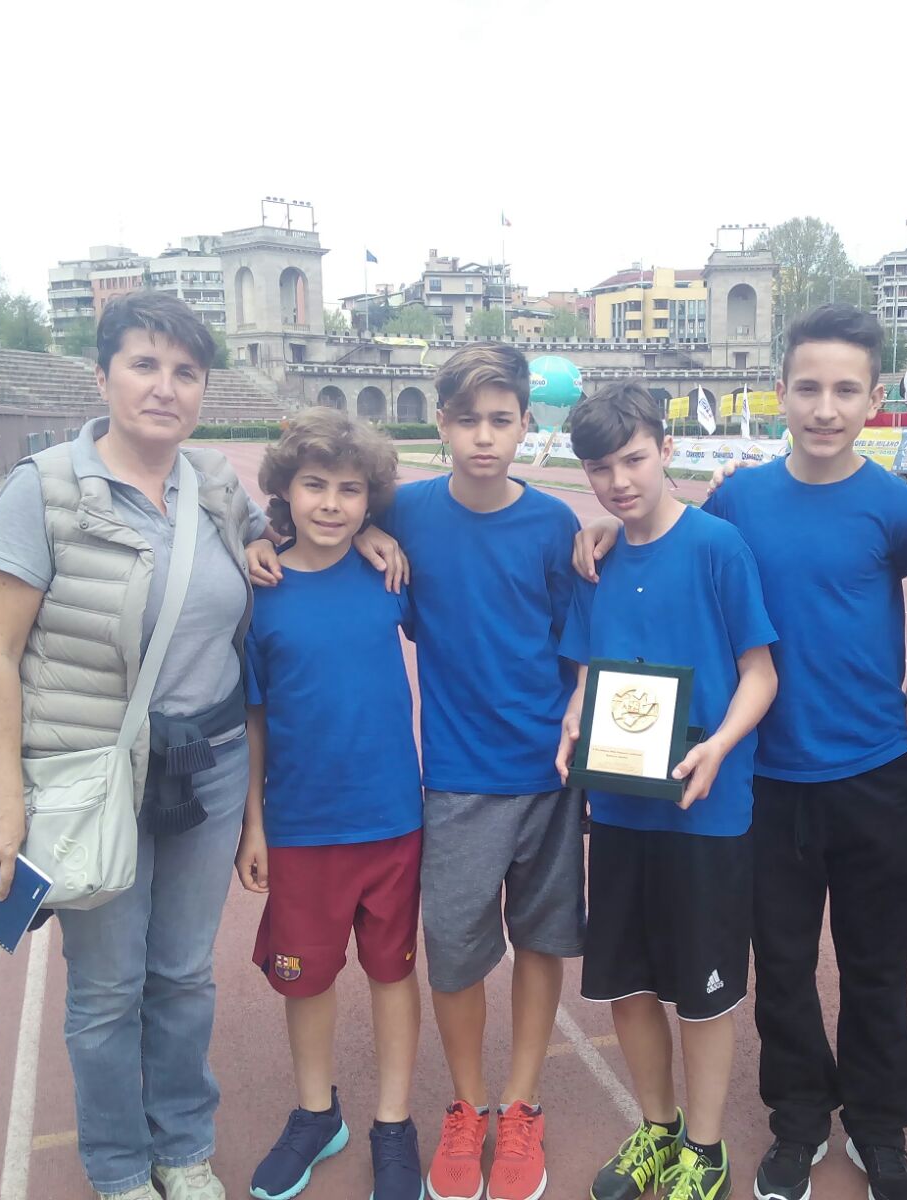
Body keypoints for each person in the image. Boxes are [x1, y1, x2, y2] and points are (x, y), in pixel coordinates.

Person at [580, 305, 907, 1200]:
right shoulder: (739, 500)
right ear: (780, 392)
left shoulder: (903, 510)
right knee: (781, 967)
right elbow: (663, 538)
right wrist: (598, 531)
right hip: (766, 780)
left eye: (845, 390)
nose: (825, 407)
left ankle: (881, 1130)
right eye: (807, 387)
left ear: (875, 399)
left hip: (875, 775)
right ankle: (798, 1123)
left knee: (876, 968)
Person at [0, 291, 280, 1200]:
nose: (165, 387)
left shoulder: (215, 485)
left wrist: (365, 529)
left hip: (207, 768)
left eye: (186, 372)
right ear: (102, 377)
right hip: (95, 772)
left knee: (182, 974)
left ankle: (183, 1146)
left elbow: (290, 536)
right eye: (144, 365)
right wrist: (2, 799)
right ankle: (117, 1167)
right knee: (107, 988)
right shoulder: (43, 491)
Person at [369, 343, 584, 1200]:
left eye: (501, 420)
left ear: (526, 424)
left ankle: (521, 1105)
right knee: (454, 955)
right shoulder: (406, 512)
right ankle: (468, 1106)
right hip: (457, 779)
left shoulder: (555, 525)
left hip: (549, 776)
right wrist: (368, 531)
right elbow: (317, 517)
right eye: (467, 420)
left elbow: (578, 640)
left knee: (541, 940)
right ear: (441, 424)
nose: (484, 437)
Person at [555, 381, 779, 1200]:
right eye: (600, 468)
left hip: (705, 811)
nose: (618, 481)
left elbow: (760, 673)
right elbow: (591, 667)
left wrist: (719, 745)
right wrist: (577, 711)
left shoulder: (718, 547)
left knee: (702, 993)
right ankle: (657, 1127)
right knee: (629, 982)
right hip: (619, 806)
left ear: (666, 450)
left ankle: (706, 1149)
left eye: (634, 460)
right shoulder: (596, 560)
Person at [236, 408, 425, 1200]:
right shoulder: (261, 591)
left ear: (370, 500)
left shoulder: (389, 574)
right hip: (300, 827)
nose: (332, 504)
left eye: (351, 491)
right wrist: (253, 823)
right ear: (285, 489)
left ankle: (394, 1123)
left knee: (392, 975)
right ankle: (318, 1113)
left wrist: (381, 535)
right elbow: (254, 717)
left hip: (391, 820)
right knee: (304, 980)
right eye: (315, 485)